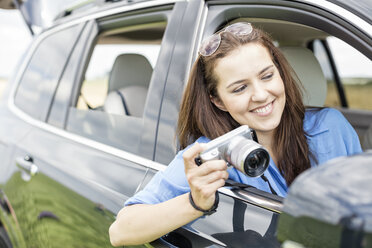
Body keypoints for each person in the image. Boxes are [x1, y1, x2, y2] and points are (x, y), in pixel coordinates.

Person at [109, 22, 362, 246]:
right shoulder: (209, 157)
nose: (261, 94)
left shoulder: (331, 127)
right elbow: (120, 232)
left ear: (280, 73)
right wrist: (196, 202)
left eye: (267, 75)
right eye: (240, 88)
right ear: (218, 101)